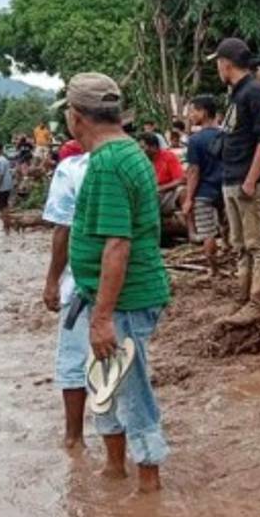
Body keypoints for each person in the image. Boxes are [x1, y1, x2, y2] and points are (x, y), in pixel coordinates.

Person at [60, 72, 171, 494]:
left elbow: (117, 245)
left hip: (123, 300)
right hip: (114, 297)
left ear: (76, 117)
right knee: (105, 381)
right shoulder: (127, 154)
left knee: (130, 387)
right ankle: (114, 468)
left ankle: (149, 481)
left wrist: (103, 316)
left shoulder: (108, 164)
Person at [210, 38, 260, 324]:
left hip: (248, 182)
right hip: (232, 178)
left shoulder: (254, 92)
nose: (217, 69)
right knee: (240, 244)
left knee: (257, 243)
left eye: (217, 63)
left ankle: (259, 302)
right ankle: (243, 298)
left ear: (226, 63)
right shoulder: (236, 94)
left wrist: (251, 179)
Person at [41, 139, 90, 449]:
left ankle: (74, 438)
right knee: (122, 363)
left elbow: (63, 230)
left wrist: (52, 281)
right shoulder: (133, 162)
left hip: (80, 287)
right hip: (129, 286)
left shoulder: (71, 169)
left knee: (73, 360)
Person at [181, 95, 224, 278]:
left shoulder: (195, 140)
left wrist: (189, 198)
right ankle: (235, 260)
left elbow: (193, 171)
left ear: (204, 112)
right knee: (228, 227)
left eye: (193, 111)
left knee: (207, 232)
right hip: (226, 188)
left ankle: (214, 269)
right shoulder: (226, 135)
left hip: (204, 192)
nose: (190, 115)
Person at [138, 132, 185, 218]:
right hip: (149, 195)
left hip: (167, 193)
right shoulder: (140, 160)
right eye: (139, 148)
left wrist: (161, 188)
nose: (140, 150)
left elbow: (180, 179)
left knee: (183, 191)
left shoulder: (168, 156)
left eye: (143, 147)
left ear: (154, 147)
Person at [0, 144, 14, 210]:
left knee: (2, 207)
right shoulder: (4, 159)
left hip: (2, 187)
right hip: (7, 186)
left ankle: (4, 215)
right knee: (5, 205)